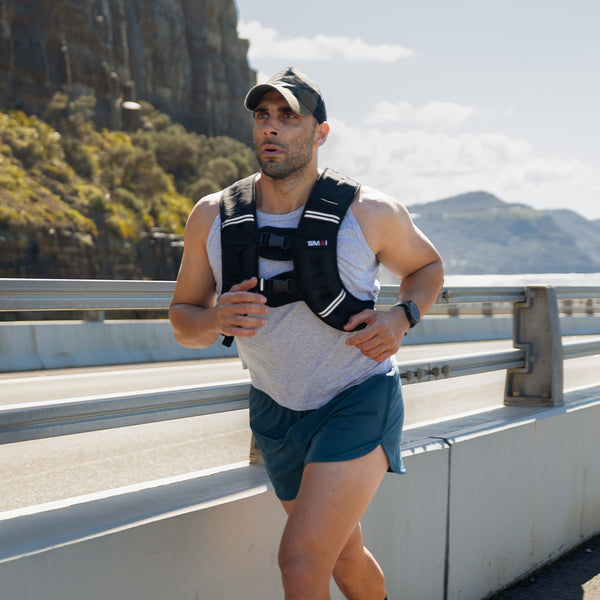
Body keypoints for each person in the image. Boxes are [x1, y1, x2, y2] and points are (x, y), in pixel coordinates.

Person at [169, 66, 444, 600]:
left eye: (288, 118)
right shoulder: (212, 217)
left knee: (299, 563)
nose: (271, 128)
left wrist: (400, 317)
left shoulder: (370, 212)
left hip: (356, 398)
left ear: (320, 133)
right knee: (342, 555)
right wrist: (215, 319)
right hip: (275, 409)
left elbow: (428, 268)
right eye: (263, 117)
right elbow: (184, 320)